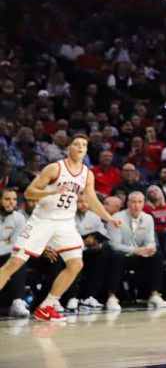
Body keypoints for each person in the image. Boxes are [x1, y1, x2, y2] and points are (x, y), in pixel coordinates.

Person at [0, 134, 121, 320]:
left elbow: (91, 199)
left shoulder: (87, 174)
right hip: (43, 220)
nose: (81, 147)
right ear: (69, 148)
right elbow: (30, 191)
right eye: (77, 144)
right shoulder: (55, 168)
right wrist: (51, 190)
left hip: (65, 222)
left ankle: (47, 306)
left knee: (76, 264)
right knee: (14, 262)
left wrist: (108, 218)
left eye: (84, 145)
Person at [108, 191, 166, 307]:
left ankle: (154, 295)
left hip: (140, 255)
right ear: (128, 203)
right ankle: (112, 297)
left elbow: (150, 241)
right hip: (123, 256)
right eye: (133, 202)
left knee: (157, 256)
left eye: (139, 202)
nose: (136, 205)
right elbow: (114, 245)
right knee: (116, 256)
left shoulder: (148, 218)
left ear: (143, 204)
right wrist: (135, 250)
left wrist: (150, 249)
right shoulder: (116, 218)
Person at [1, 187, 29, 316]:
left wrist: (7, 243)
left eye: (14, 199)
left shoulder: (19, 218)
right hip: (5, 254)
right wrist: (6, 242)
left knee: (19, 256)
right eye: (7, 199)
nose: (11, 202)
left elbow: (17, 244)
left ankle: (17, 302)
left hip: (7, 256)